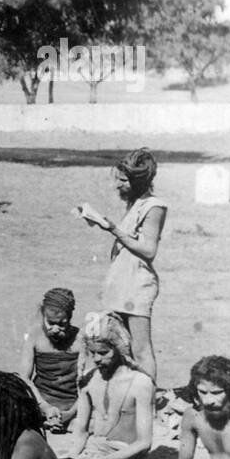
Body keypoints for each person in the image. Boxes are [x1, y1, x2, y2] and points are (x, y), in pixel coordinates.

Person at [79, 147, 167, 384]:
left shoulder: (154, 206)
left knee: (140, 349)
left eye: (123, 180)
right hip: (121, 281)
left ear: (138, 181)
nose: (117, 185)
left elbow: (149, 250)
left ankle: (146, 398)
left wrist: (112, 229)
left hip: (136, 284)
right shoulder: (136, 203)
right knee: (117, 344)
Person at [66, 312, 155, 459]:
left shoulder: (140, 383)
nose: (97, 359)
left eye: (103, 352)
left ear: (119, 348)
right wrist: (72, 458)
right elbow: (81, 432)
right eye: (92, 353)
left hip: (123, 456)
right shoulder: (88, 380)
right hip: (92, 452)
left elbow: (144, 443)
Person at [19, 288, 81, 432]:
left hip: (72, 405)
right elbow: (24, 377)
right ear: (43, 316)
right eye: (50, 323)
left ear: (70, 318)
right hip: (41, 401)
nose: (55, 328)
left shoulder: (80, 340)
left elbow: (87, 385)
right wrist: (45, 408)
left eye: (62, 324)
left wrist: (71, 413)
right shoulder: (34, 336)